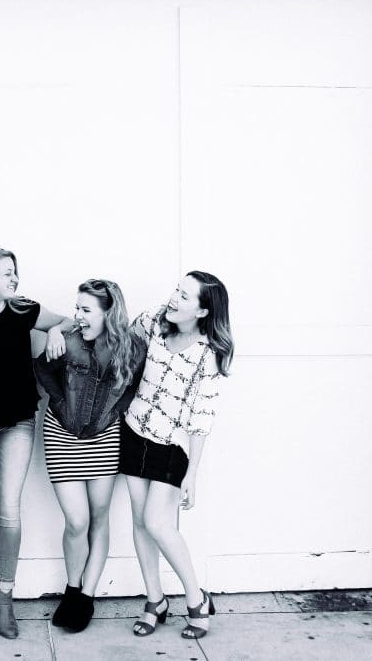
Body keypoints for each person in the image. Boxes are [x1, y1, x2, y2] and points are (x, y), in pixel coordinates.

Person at [0, 245, 72, 639]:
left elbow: (72, 323)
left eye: (15, 272)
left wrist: (53, 329)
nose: (15, 279)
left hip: (18, 422)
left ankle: (4, 597)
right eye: (7, 273)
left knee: (8, 511)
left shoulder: (25, 311)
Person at [120, 271, 234, 640]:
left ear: (202, 311)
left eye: (185, 296)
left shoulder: (209, 354)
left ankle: (196, 598)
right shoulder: (154, 320)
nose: (174, 298)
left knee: (158, 523)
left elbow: (202, 418)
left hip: (173, 444)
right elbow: (120, 341)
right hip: (134, 430)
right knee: (139, 521)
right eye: (176, 290)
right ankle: (155, 601)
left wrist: (193, 473)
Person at [33, 279, 147, 633]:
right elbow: (42, 371)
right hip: (62, 435)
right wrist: (62, 404)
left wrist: (116, 412)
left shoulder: (133, 348)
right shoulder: (66, 341)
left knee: (99, 517)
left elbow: (135, 385)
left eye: (86, 310)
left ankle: (86, 596)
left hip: (104, 439)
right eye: (77, 307)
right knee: (77, 521)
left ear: (109, 313)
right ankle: (72, 585)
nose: (77, 315)